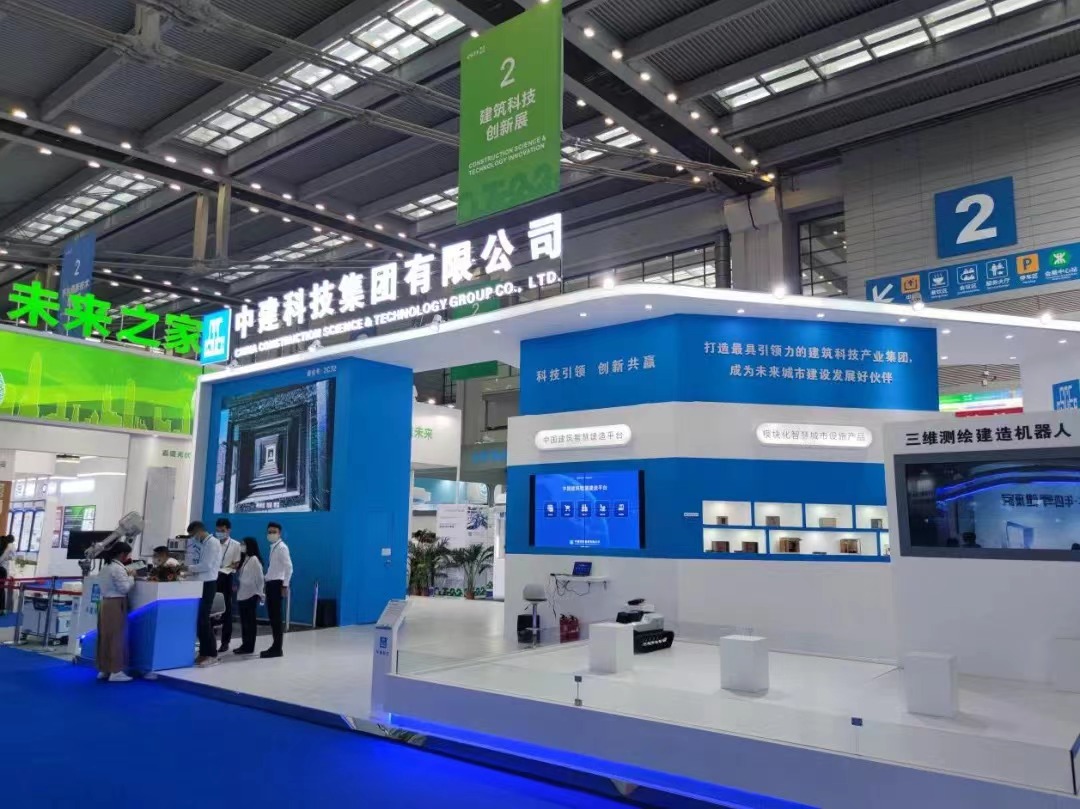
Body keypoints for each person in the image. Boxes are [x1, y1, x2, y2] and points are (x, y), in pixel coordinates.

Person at [185, 521, 223, 667]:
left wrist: (188, 568)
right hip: (199, 584)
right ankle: (203, 652)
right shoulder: (203, 543)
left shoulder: (212, 543)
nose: (193, 538)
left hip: (208, 584)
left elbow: (206, 566)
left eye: (193, 535)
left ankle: (212, 654)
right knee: (199, 620)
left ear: (199, 531)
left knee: (204, 619)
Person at [97, 541, 135, 683]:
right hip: (116, 603)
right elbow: (124, 588)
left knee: (105, 637)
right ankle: (116, 670)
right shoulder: (118, 569)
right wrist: (131, 577)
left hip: (105, 603)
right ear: (122, 554)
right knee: (116, 638)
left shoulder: (105, 567)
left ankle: (105, 668)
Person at [262, 522, 292, 659]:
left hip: (277, 584)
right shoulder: (274, 547)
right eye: (269, 532)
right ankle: (275, 646)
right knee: (273, 617)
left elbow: (289, 567)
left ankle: (277, 648)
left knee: (276, 618)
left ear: (279, 533)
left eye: (274, 532)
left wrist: (285, 585)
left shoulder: (282, 548)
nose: (271, 534)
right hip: (271, 583)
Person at [214, 518, 242, 653]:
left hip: (226, 577)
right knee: (211, 609)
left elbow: (237, 563)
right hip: (212, 578)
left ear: (229, 530)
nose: (220, 533)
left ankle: (225, 642)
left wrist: (224, 569)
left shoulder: (236, 545)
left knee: (226, 610)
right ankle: (210, 639)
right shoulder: (213, 543)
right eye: (218, 530)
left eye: (223, 530)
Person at [234, 537, 265, 656]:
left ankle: (249, 646)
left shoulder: (254, 560)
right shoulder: (245, 559)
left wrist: (260, 593)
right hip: (243, 593)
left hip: (251, 594)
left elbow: (260, 578)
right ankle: (245, 644)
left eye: (244, 544)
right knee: (244, 622)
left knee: (250, 622)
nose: (241, 546)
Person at [0, 535, 15, 616]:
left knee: (1, 590)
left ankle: (2, 609)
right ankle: (2, 609)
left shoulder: (5, 543)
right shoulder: (9, 546)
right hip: (3, 569)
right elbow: (7, 557)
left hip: (2, 569)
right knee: (1, 590)